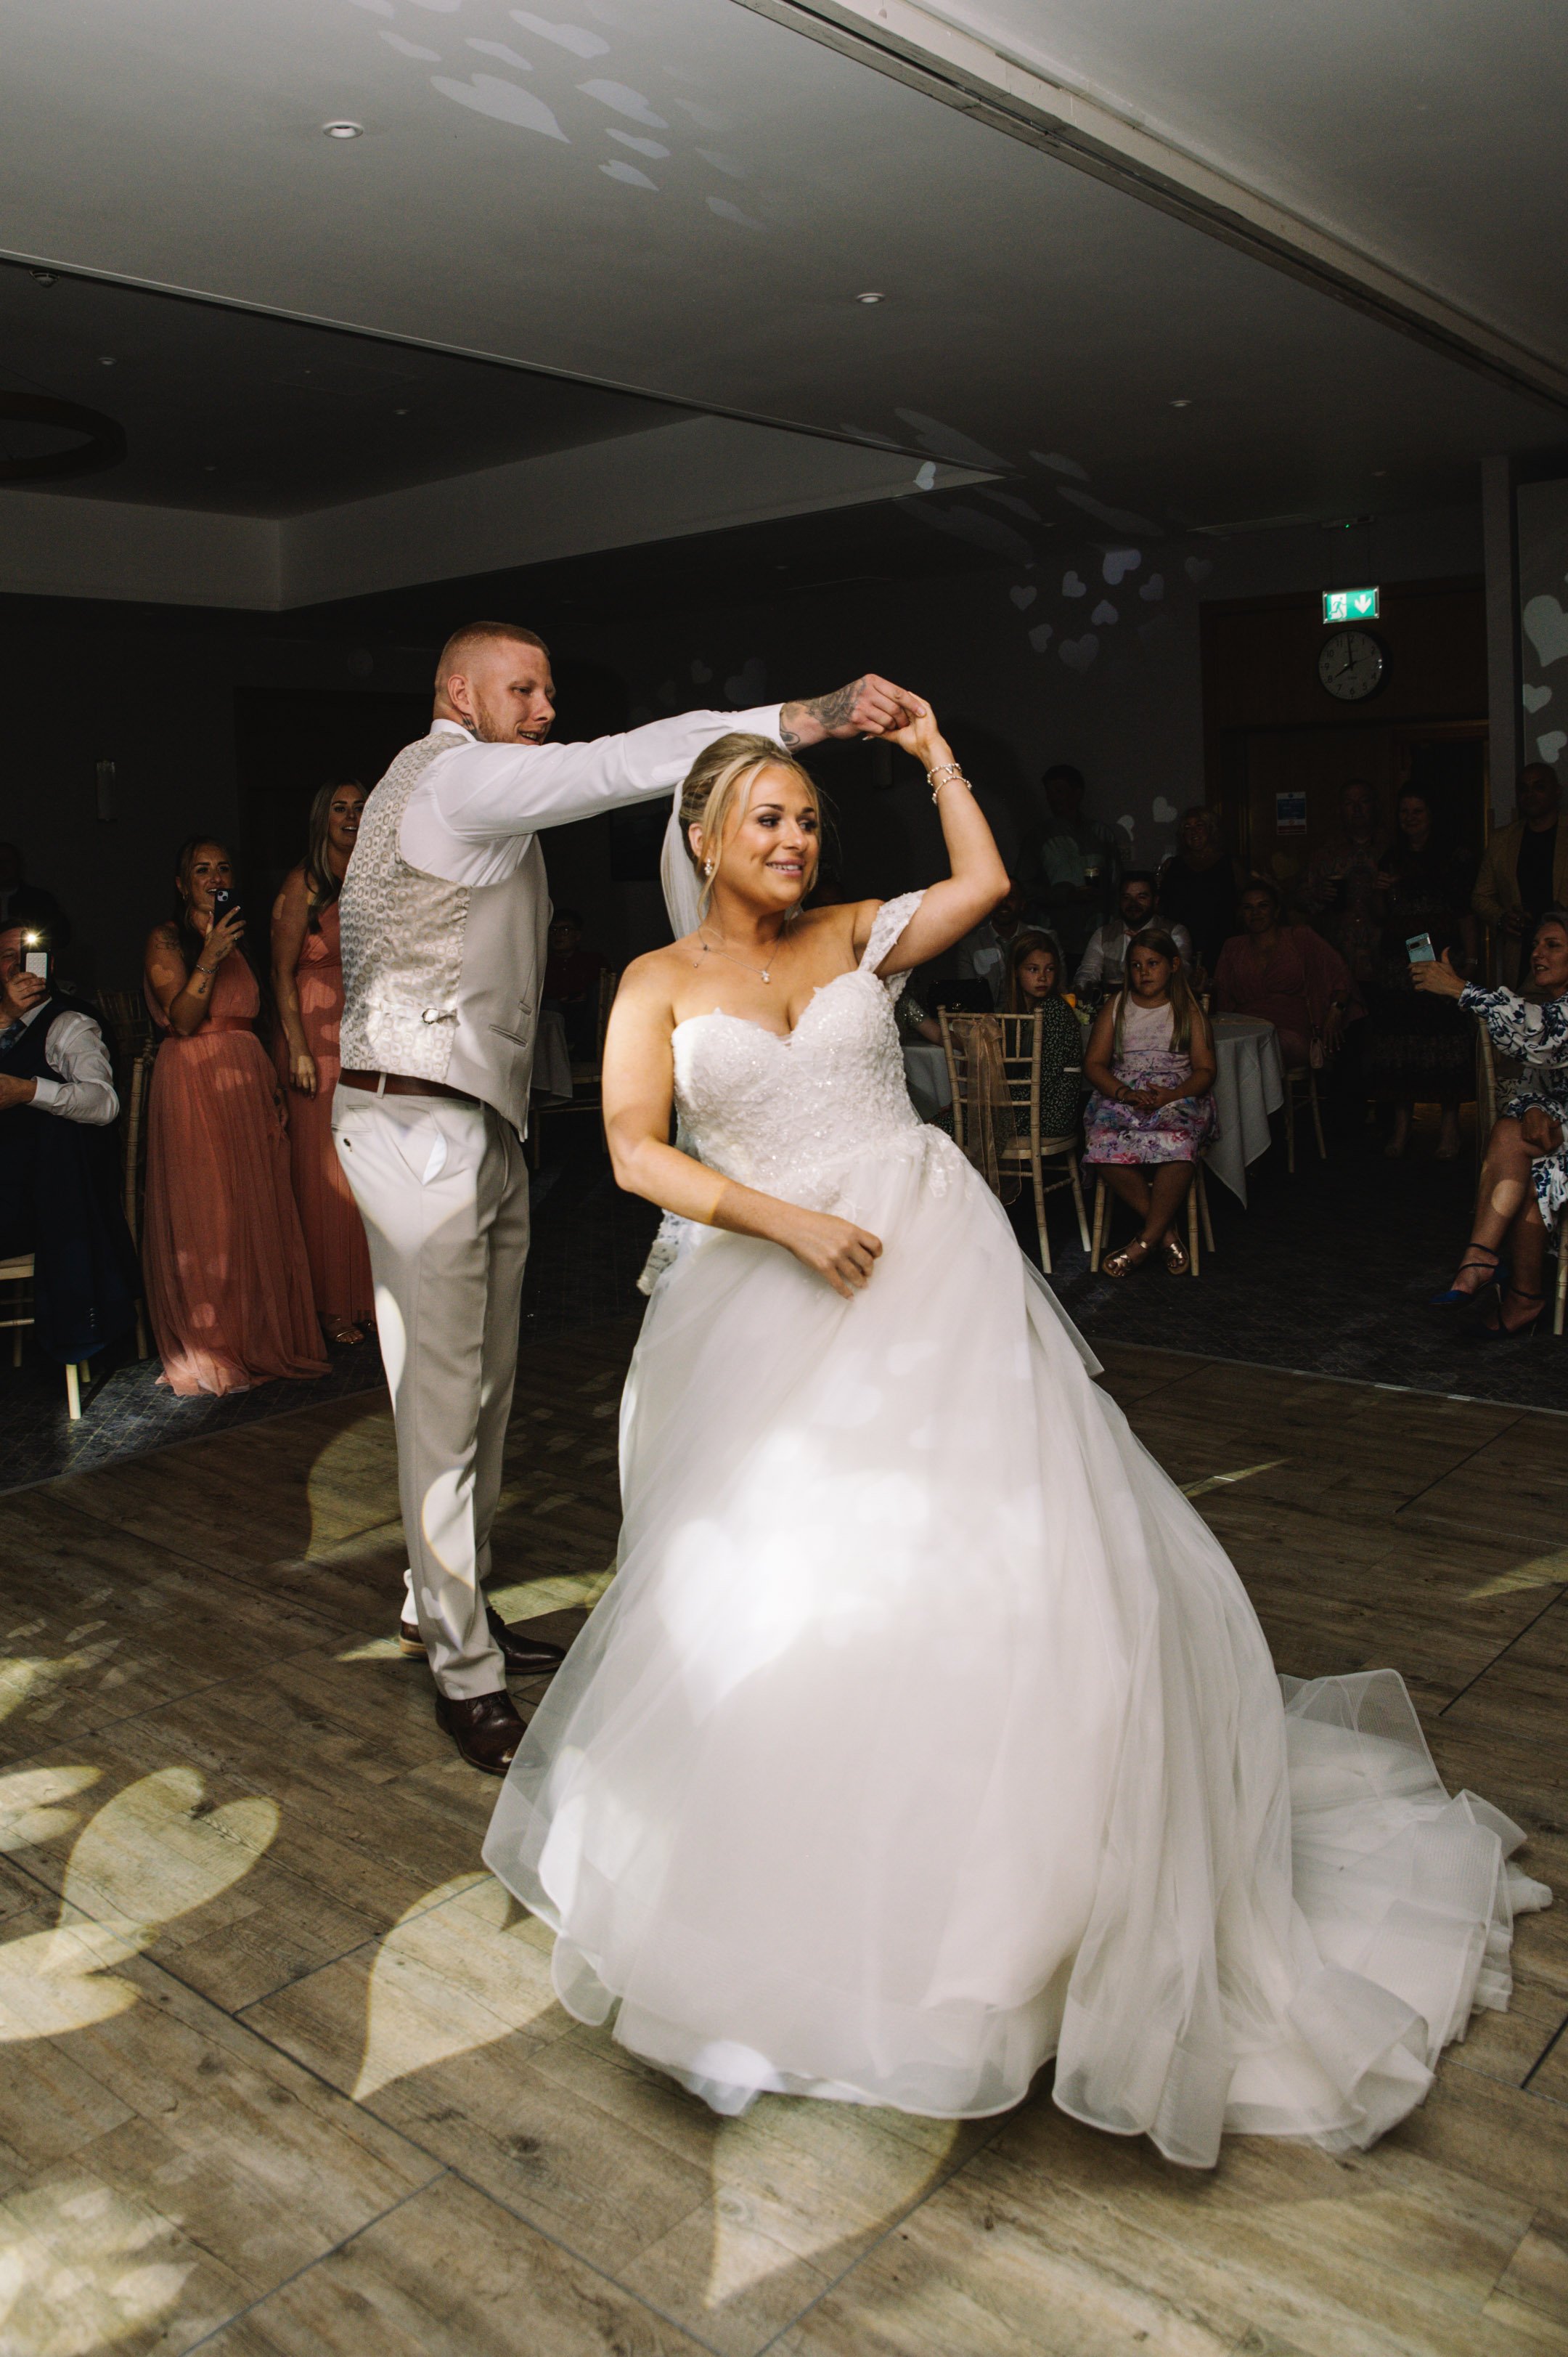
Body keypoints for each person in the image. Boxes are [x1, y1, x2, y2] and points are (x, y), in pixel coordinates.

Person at [483, 709, 1547, 2168]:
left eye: (808, 820)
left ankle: (1032, 1904)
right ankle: (824, 1891)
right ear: (705, 837)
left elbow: (982, 884)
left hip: (931, 1271)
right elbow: (630, 1148)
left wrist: (934, 756)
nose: (795, 841)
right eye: (770, 819)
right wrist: (784, 1222)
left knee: (1002, 1557)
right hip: (771, 1288)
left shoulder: (858, 933)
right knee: (795, 1584)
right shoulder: (657, 982)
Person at [333, 616, 925, 1774]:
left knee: (484, 1388)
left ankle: (438, 1601)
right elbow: (622, 763)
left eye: (548, 690)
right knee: (444, 1401)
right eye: (522, 689)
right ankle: (463, 1670)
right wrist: (808, 718)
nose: (544, 710)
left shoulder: (474, 795)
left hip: (471, 1116)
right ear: (458, 693)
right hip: (416, 1121)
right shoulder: (454, 777)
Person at [142, 838, 327, 1397]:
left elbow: (253, 1017)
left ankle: (258, 1336)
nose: (215, 878)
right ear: (182, 884)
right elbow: (182, 1019)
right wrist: (211, 954)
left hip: (245, 1081)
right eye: (202, 870)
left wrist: (271, 1081)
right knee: (211, 1212)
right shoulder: (167, 939)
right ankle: (217, 1345)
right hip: (195, 1081)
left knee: (254, 1207)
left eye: (223, 868)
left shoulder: (243, 939)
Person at [1417, 913, 1568, 1336]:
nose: (1537, 953)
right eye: (1536, 945)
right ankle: (1503, 1279)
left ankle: (1500, 1275)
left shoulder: (1557, 1014)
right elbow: (1538, 1073)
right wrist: (1533, 1106)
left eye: (1553, 945)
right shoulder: (1554, 1004)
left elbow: (1543, 1035)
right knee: (1516, 1141)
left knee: (1513, 1141)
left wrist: (1461, 989)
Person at [0, 924, 138, 1367]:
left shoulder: (69, 1024)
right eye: (5, 956)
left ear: (48, 964)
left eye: (25, 954)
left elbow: (104, 1103)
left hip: (39, 1206)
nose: (16, 965)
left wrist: (28, 1091)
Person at [271, 781, 375, 1347]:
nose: (351, 816)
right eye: (340, 808)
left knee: (366, 1164)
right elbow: (280, 971)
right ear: (322, 819)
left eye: (360, 807)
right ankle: (332, 1304)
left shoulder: (374, 875)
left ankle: (368, 1295)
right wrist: (298, 1048)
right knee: (323, 1168)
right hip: (314, 1027)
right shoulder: (303, 884)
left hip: (364, 1027)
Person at [1082, 927, 1217, 1274]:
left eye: (1153, 964)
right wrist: (1123, 1093)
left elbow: (1205, 1070)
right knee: (1101, 1141)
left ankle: (1142, 1244)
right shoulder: (1117, 1006)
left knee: (1180, 1141)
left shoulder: (1188, 1009)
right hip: (1124, 1094)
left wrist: (1173, 1094)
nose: (1144, 972)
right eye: (1136, 965)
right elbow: (1094, 1064)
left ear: (1173, 965)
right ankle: (1165, 1233)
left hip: (1176, 1095)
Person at [1363, 788, 1478, 1160]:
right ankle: (1402, 1128)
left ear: (1432, 814)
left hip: (1443, 955)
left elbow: (1466, 912)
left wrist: (1471, 961)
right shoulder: (1391, 857)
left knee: (1445, 1039)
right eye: (1404, 811)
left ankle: (1450, 1129)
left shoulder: (1455, 857)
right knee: (1400, 1042)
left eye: (1418, 810)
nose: (1410, 818)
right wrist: (1379, 891)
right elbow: (1380, 915)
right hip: (1400, 962)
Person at [1212, 877, 1359, 1067]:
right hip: (1245, 1029)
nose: (1256, 913)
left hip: (1290, 1028)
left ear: (1276, 910)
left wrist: (1335, 1011)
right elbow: (1221, 995)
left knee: (1269, 1048)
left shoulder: (1300, 937)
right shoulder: (1233, 947)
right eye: (1248, 908)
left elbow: (1341, 974)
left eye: (1263, 906)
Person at [1472, 764, 1568, 987]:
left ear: (1557, 791)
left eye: (1539, 787)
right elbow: (1480, 896)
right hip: (1521, 957)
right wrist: (1501, 918)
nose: (1530, 795)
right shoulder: (1502, 840)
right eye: (1523, 789)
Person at [1032, 763, 1118, 968]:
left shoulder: (1101, 834)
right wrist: (1066, 895)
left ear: (1077, 793)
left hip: (1098, 936)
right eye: (1049, 793)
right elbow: (1024, 889)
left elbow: (1116, 886)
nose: (1053, 798)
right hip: (1056, 938)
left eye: (1059, 791)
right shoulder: (1039, 836)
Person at [1302, 779, 1384, 991]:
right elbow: (1303, 904)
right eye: (1349, 803)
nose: (1357, 809)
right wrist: (1318, 895)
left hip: (1386, 955)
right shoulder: (1324, 853)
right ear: (1340, 809)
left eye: (1363, 801)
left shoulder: (1391, 849)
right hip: (1338, 956)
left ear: (1374, 805)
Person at [1005, 930, 1084, 1137]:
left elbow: (1042, 1079)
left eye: (1050, 969)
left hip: (1048, 1113)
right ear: (1016, 971)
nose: (1042, 977)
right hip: (1027, 1106)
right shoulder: (1021, 1012)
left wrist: (991, 1103)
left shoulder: (1054, 1010)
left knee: (948, 1125)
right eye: (1033, 969)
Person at [1074, 870, 1194, 998]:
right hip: (1113, 1003)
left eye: (1141, 897)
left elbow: (1182, 975)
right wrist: (1083, 988)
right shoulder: (1104, 934)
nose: (1133, 904)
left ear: (1155, 901)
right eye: (1127, 898)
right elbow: (1088, 972)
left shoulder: (1174, 932)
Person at [1157, 806, 1238, 976]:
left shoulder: (1230, 864)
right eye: (1187, 827)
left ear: (1211, 829)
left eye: (1199, 826)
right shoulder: (1173, 865)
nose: (1193, 832)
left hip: (1220, 942)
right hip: (1182, 943)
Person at [542, 908, 610, 1060]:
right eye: (553, 930)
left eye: (565, 930)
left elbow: (604, 991)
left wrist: (583, 996)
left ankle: (584, 1054)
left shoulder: (593, 961)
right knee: (551, 1007)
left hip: (586, 1020)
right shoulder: (543, 963)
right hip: (556, 1019)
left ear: (577, 936)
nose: (558, 935)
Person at [953, 876, 1029, 1005]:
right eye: (997, 897)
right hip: (985, 1015)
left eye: (1010, 897)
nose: (1003, 902)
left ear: (1022, 904)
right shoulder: (970, 945)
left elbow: (1058, 989)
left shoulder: (1042, 939)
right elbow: (966, 995)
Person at [0, 842, 72, 953]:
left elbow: (61, 935)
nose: (2, 867)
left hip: (31, 959)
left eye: (7, 861)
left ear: (18, 865)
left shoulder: (40, 900)